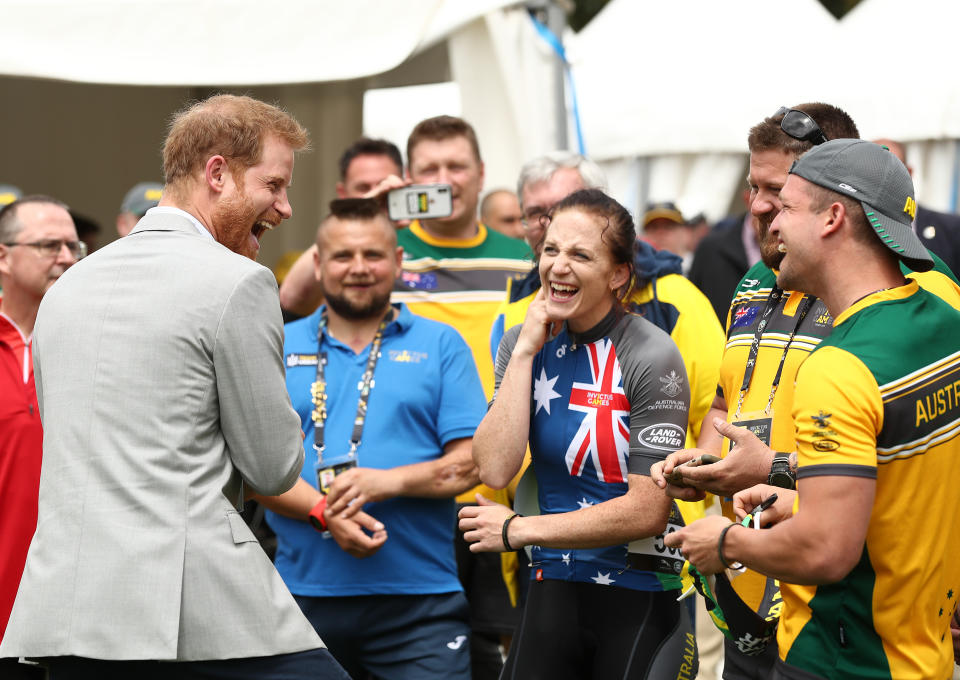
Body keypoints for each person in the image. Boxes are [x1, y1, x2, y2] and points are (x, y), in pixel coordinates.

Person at [0, 94, 349, 679]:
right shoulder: (241, 281)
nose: (286, 208)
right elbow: (272, 467)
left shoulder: (66, 288)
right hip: (194, 607)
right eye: (274, 185)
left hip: (69, 611)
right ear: (217, 173)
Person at [651, 103, 960, 680]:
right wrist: (731, 467)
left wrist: (733, 533)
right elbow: (730, 399)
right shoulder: (757, 279)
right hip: (776, 589)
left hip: (841, 627)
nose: (763, 213)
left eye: (782, 195)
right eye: (754, 188)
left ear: (833, 213)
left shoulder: (918, 301)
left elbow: (834, 540)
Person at [460, 188, 697, 679]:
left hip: (638, 594)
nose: (558, 267)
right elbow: (494, 467)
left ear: (618, 275)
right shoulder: (521, 342)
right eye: (551, 250)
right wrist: (525, 350)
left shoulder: (650, 353)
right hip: (552, 586)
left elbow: (648, 508)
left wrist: (521, 530)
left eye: (580, 254)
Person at [256, 198, 486, 679]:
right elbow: (251, 469)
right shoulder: (276, 343)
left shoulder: (442, 344)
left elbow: (470, 464)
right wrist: (322, 511)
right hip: (301, 603)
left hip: (420, 604)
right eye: (342, 256)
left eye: (373, 255)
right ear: (318, 264)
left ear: (398, 261)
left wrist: (383, 483)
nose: (358, 268)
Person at [492, 151, 723, 451]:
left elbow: (719, 410)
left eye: (570, 203)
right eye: (537, 212)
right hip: (535, 497)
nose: (553, 221)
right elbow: (495, 429)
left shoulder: (674, 297)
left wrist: (694, 479)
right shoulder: (512, 312)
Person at [0, 196, 80, 680]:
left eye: (74, 245)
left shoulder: (97, 337)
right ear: (3, 256)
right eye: (49, 245)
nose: (68, 257)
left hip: (74, 614)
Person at [279, 137, 403, 317]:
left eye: (385, 185)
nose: (378, 194)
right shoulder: (332, 239)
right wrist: (359, 208)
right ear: (342, 194)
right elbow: (290, 299)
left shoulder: (424, 233)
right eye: (364, 187)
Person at [873, 138, 960, 275]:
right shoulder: (855, 231)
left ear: (909, 172)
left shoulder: (952, 228)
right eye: (873, 171)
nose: (883, 179)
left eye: (892, 169)